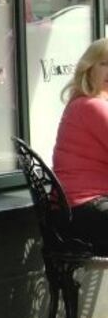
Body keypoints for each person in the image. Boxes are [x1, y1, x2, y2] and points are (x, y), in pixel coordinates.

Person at [53, 38, 108, 253]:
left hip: (80, 211)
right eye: (104, 64)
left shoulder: (85, 103)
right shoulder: (92, 106)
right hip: (84, 211)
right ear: (89, 68)